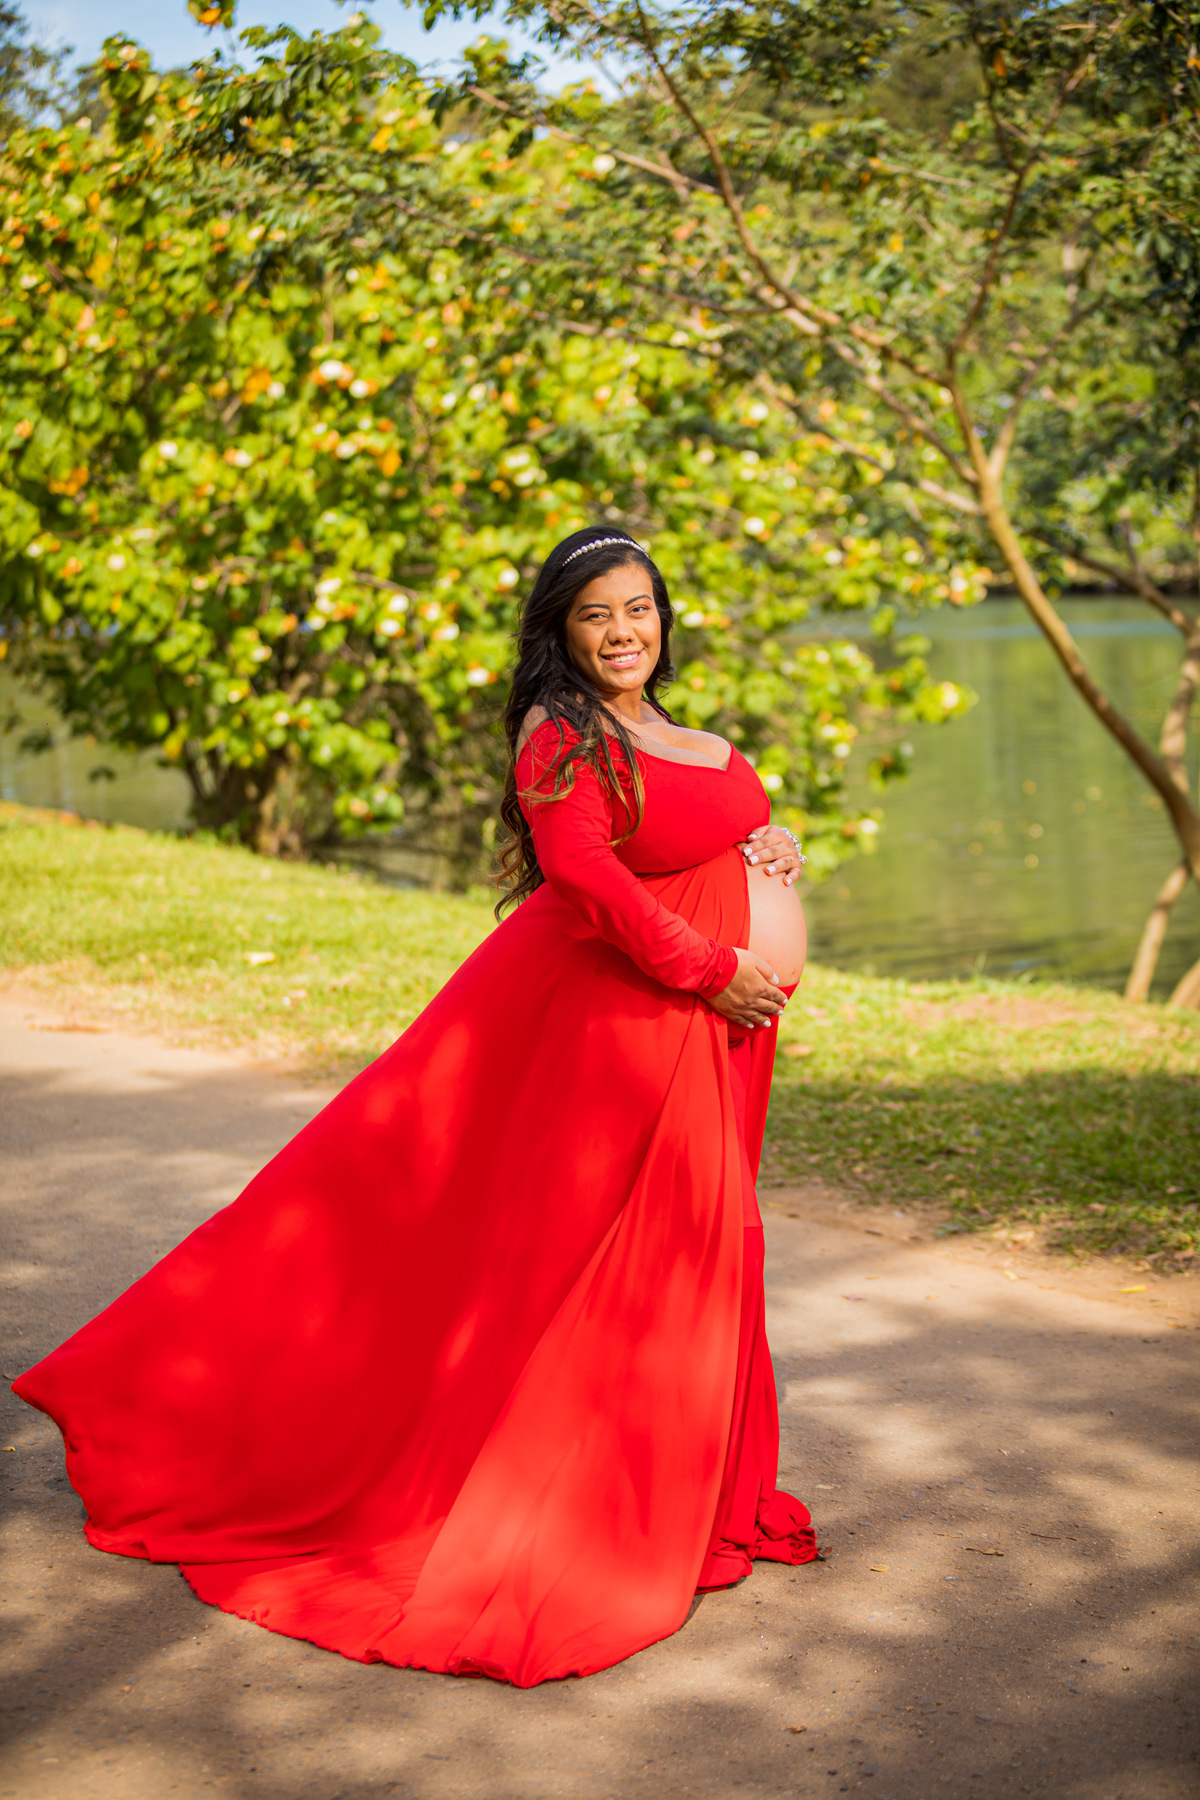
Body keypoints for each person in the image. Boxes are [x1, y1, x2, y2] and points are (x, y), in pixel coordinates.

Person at [13, 526, 818, 1689]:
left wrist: (768, 844)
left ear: (664, 617)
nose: (624, 631)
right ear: (560, 630)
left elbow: (715, 819)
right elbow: (586, 876)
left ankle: (686, 1495)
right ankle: (572, 1504)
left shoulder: (656, 727)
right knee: (609, 1256)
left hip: (705, 1026)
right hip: (624, 1024)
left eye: (640, 608)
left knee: (690, 1249)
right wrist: (707, 963)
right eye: (597, 614)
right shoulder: (561, 733)